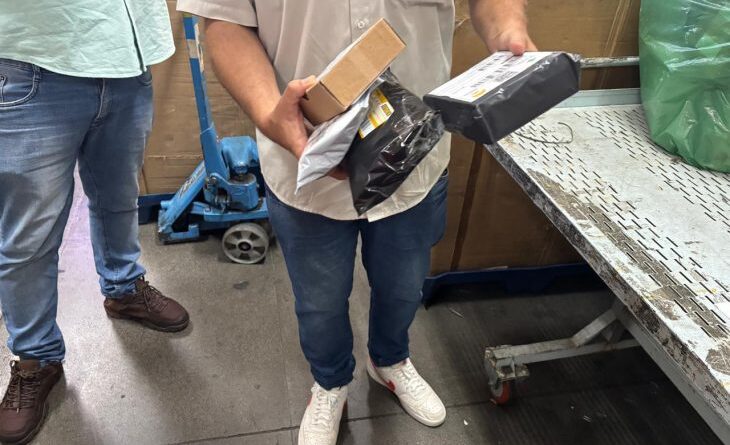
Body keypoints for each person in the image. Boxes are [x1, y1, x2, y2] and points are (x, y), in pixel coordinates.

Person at [177, 1, 536, 444]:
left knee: (404, 287)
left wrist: (507, 31)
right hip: (306, 160)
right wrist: (271, 114)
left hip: (413, 154)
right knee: (319, 303)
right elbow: (225, 20)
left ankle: (390, 360)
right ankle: (330, 382)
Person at [0, 2, 191, 443]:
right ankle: (36, 359)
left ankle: (124, 288)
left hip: (128, 58)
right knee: (28, 235)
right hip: (35, 61)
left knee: (118, 198)